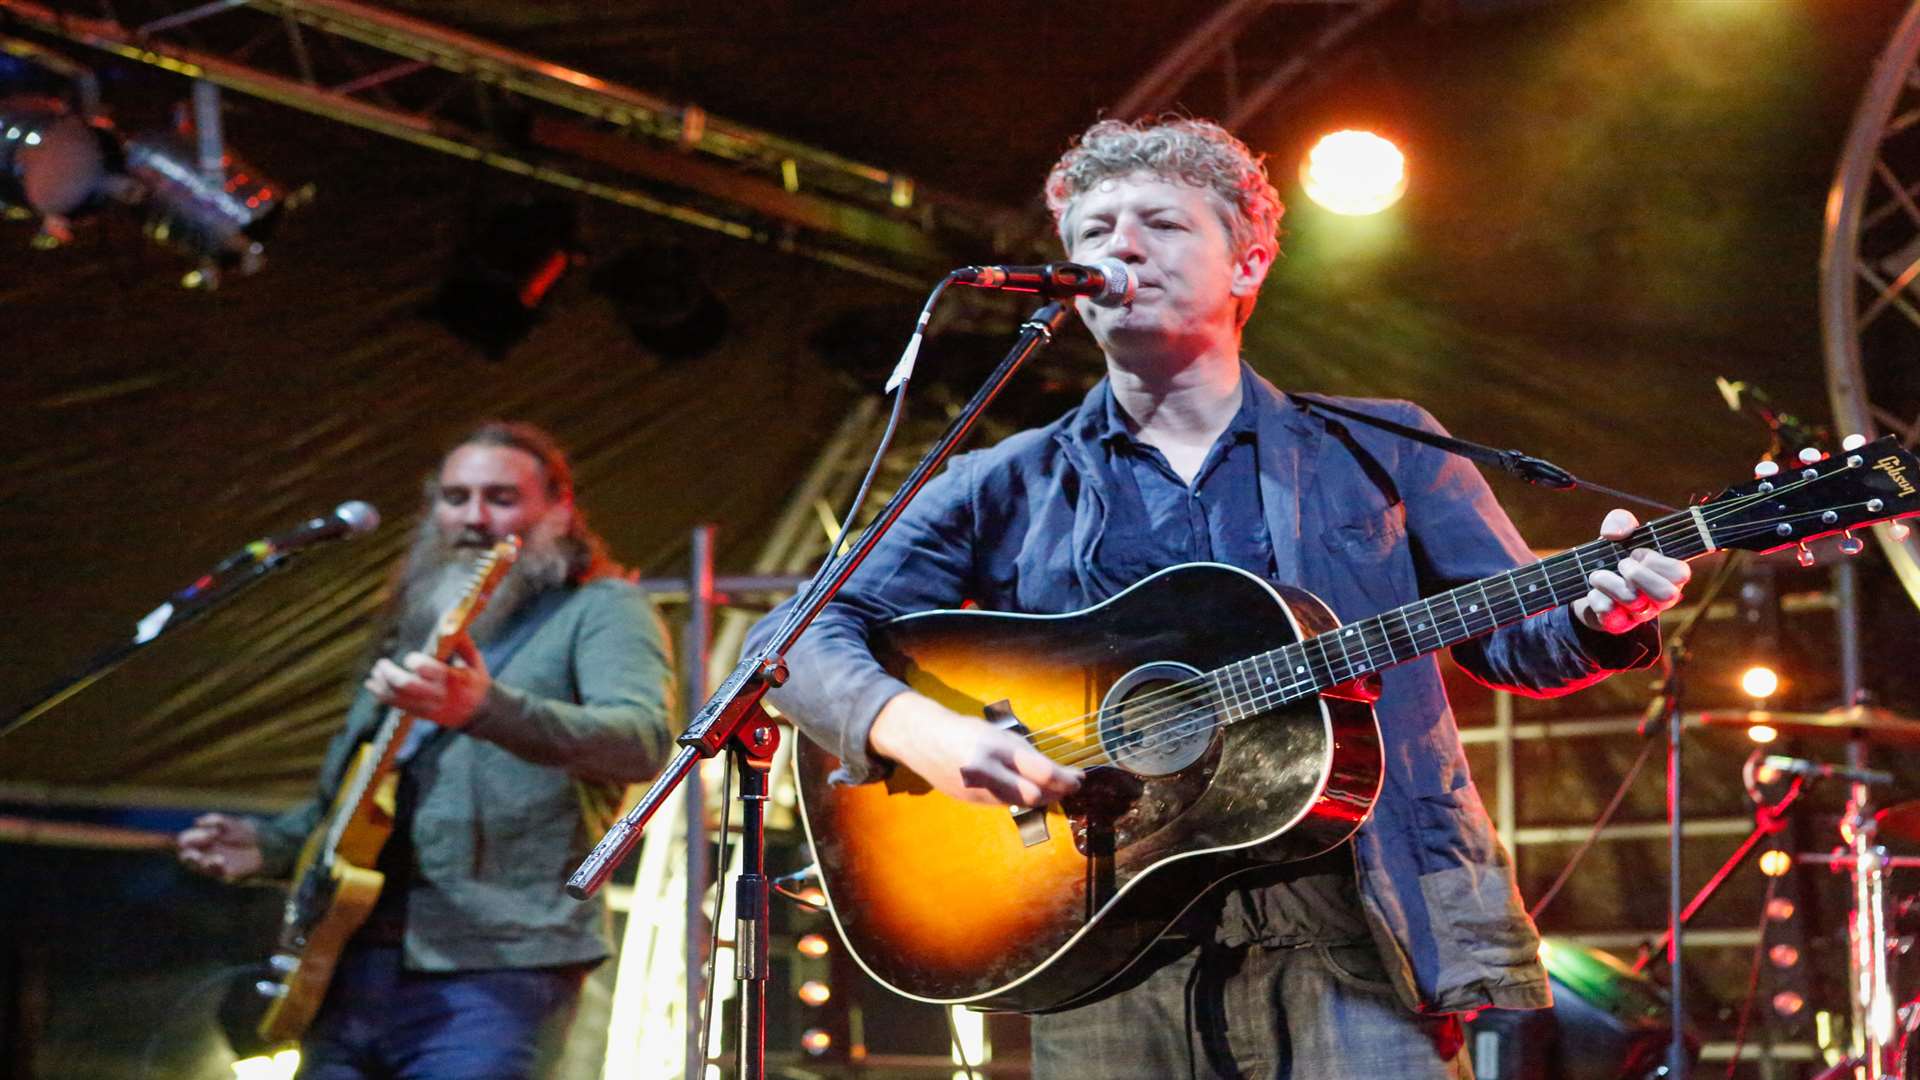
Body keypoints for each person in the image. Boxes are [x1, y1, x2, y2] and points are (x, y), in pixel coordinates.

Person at [746, 118, 1691, 1079]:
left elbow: (1513, 641)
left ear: (1248, 265)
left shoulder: (1386, 446)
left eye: (1160, 223)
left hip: (1355, 929)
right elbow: (792, 638)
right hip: (1100, 941)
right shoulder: (1007, 481)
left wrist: (1594, 617)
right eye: (1092, 231)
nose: (1118, 247)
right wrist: (921, 732)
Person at [177, 421, 673, 1080]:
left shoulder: (603, 609)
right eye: (455, 497)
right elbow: (358, 798)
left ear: (559, 509)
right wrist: (270, 845)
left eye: (500, 498)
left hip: (498, 973)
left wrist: (485, 708)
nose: (474, 517)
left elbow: (643, 743)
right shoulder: (412, 622)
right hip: (347, 967)